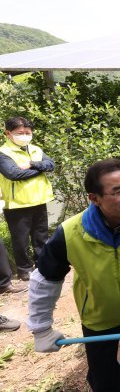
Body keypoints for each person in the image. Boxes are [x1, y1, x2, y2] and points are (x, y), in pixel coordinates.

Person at [27, 159, 120, 392]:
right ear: (94, 198)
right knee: (103, 376)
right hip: (98, 311)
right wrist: (42, 328)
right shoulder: (69, 234)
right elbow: (45, 282)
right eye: (117, 191)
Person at [0, 117, 54, 282]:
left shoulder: (36, 149)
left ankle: (42, 264)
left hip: (39, 200)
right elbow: (14, 174)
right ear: (8, 134)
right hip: (18, 203)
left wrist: (31, 164)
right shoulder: (3, 153)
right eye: (19, 133)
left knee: (41, 237)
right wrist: (40, 168)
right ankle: (24, 270)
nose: (24, 135)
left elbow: (51, 165)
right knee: (21, 240)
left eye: (27, 133)